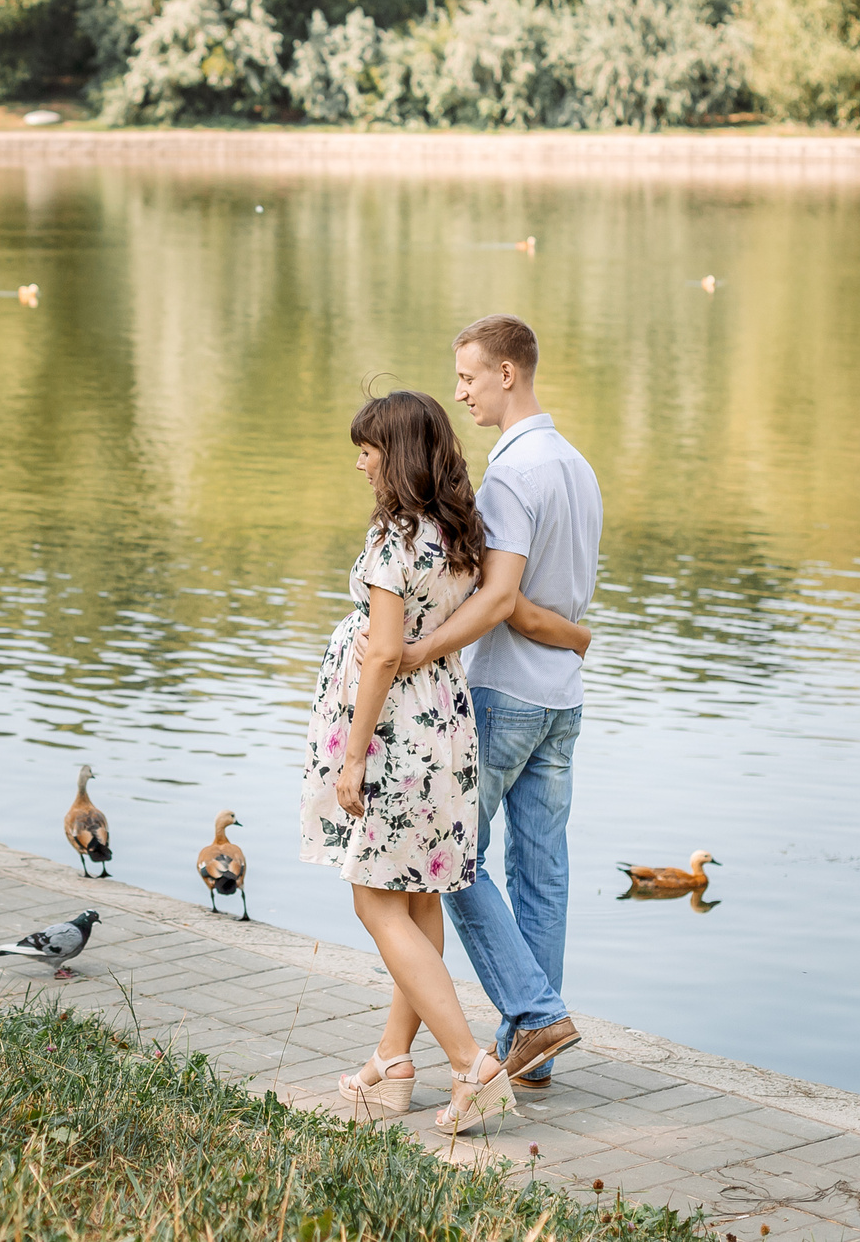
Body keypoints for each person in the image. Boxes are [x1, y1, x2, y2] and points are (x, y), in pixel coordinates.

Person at [393, 314, 602, 1091]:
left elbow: (499, 595)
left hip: (506, 692)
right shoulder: (577, 465)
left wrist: (417, 651)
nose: (461, 393)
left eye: (469, 377)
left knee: (450, 859)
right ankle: (532, 1038)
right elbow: (564, 596)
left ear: (507, 373)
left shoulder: (514, 472)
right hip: (563, 701)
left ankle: (534, 1012)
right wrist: (574, 638)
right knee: (542, 870)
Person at [298, 389, 511, 1135]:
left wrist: (352, 758)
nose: (360, 463)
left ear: (399, 455)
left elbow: (385, 649)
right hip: (444, 728)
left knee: (374, 900)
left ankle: (470, 1064)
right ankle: (394, 1061)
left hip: (394, 734)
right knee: (418, 901)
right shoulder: (458, 529)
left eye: (367, 449)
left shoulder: (394, 536)